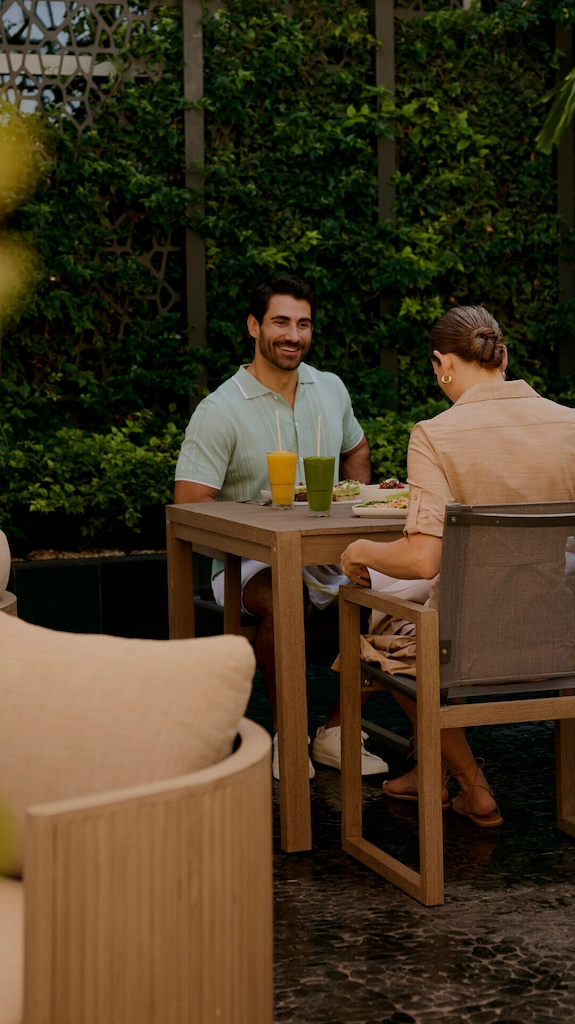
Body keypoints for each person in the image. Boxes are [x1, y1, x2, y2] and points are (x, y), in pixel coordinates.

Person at [340, 305, 575, 825]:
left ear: (441, 363)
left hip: (464, 648)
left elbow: (423, 558)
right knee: (413, 617)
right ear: (503, 356)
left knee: (386, 626)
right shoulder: (574, 425)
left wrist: (360, 551)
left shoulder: (435, 434)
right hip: (558, 637)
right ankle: (436, 773)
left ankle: (471, 783)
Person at [175, 275, 388, 779]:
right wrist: (259, 519)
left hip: (327, 554)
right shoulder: (219, 410)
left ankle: (337, 730)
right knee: (285, 594)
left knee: (401, 588)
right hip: (247, 563)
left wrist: (348, 501)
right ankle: (287, 735)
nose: (293, 334)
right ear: (254, 327)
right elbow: (189, 507)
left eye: (303, 323)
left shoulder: (330, 387)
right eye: (281, 322)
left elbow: (356, 448)